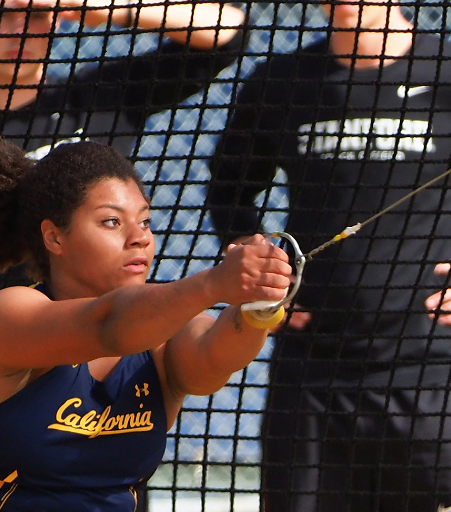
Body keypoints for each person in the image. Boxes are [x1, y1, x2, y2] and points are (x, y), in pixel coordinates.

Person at [0, 0, 246, 508]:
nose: (20, 27)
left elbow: (226, 31)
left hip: (110, 388)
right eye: (2, 12)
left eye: (38, 12)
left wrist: (101, 9)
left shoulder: (95, 98)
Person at [0, 137, 292, 511]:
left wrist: (260, 306)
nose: (139, 237)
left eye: (144, 221)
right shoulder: (7, 315)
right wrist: (214, 282)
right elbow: (108, 326)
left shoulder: (158, 336)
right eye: (112, 222)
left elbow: (212, 361)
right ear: (54, 236)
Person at [207, 0, 451, 510]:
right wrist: (259, 269)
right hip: (314, 371)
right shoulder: (282, 81)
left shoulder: (446, 74)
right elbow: (229, 191)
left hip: (430, 367)